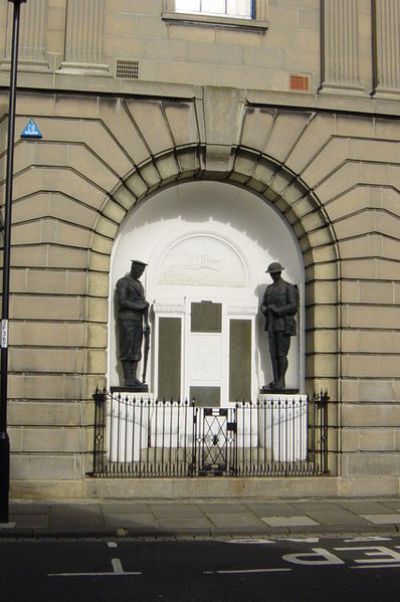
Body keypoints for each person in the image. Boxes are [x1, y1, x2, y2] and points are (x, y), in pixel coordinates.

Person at [260, 262, 298, 391]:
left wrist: (278, 310)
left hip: (283, 325)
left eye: (275, 273)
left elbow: (293, 306)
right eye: (272, 273)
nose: (273, 275)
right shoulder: (269, 289)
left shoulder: (288, 288)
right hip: (271, 324)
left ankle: (281, 381)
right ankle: (276, 380)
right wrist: (265, 310)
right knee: (273, 353)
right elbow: (263, 305)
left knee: (281, 354)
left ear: (279, 273)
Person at [116, 260, 150, 388]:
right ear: (133, 268)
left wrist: (146, 323)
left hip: (137, 321)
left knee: (136, 350)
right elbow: (123, 302)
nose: (140, 273)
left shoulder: (139, 285)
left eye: (142, 271)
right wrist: (140, 306)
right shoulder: (123, 282)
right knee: (127, 348)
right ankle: (127, 378)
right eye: (138, 270)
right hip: (126, 320)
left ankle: (134, 378)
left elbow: (143, 303)